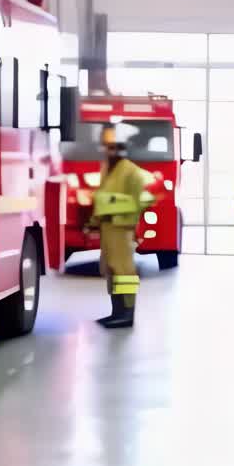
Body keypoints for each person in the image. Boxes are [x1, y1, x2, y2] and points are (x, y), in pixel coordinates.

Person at [89, 123, 156, 328]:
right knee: (110, 270)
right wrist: (93, 222)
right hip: (108, 229)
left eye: (112, 147)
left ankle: (127, 314)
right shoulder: (107, 169)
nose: (109, 151)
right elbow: (101, 199)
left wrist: (114, 210)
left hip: (122, 229)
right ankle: (116, 312)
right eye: (107, 147)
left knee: (124, 271)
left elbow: (142, 201)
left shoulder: (132, 172)